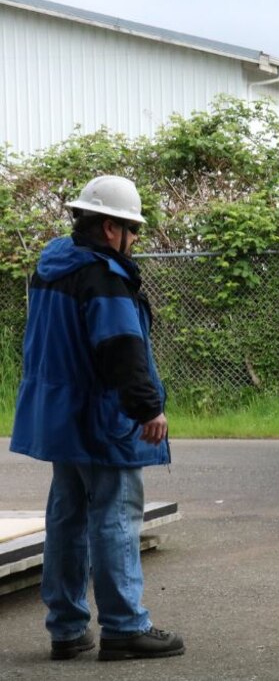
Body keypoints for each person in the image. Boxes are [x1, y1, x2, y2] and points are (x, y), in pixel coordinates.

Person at [10, 175, 184, 662]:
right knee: (115, 516)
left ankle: (66, 629)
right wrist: (147, 407)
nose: (134, 241)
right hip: (102, 417)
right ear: (111, 228)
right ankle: (125, 627)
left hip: (60, 416)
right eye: (132, 230)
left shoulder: (51, 268)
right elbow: (121, 349)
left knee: (66, 517)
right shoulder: (104, 276)